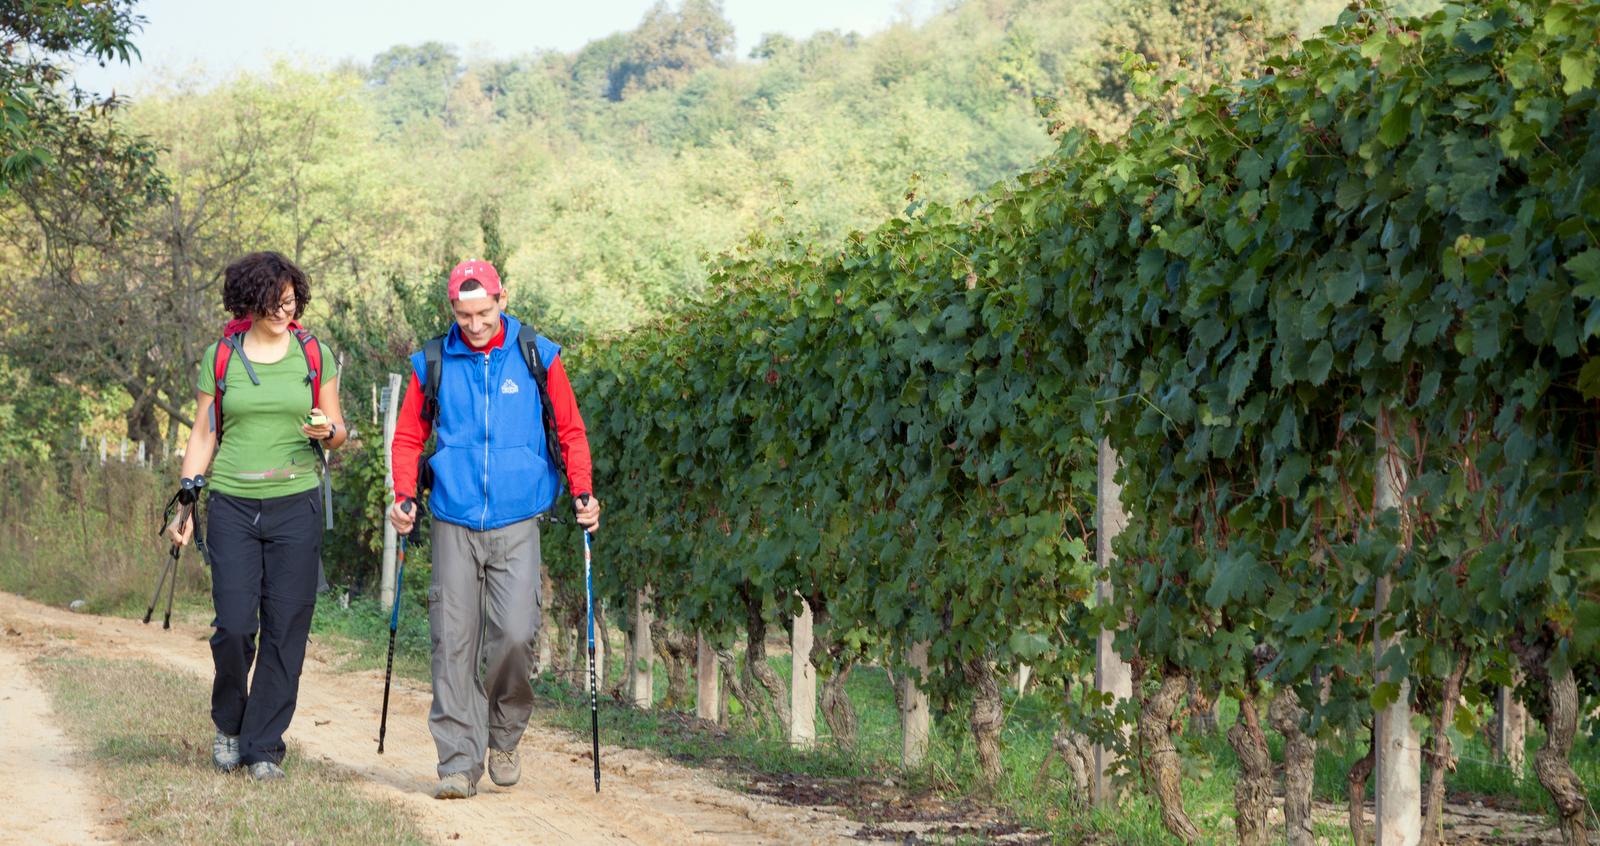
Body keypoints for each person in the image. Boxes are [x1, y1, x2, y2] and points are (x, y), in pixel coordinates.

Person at [388, 258, 600, 800]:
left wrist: (583, 490)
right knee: (452, 642)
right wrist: (405, 494)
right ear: (452, 310)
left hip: (516, 517)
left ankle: (503, 734)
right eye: (464, 315)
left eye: (483, 313)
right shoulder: (433, 361)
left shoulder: (535, 355)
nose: (475, 325)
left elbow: (570, 429)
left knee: (514, 633)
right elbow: (409, 436)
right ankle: (458, 762)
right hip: (453, 517)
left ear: (501, 301)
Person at [169, 250, 347, 781]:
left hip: (297, 501)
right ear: (248, 303)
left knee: (287, 628)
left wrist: (328, 433)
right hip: (232, 503)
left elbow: (337, 428)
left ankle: (263, 745)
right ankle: (229, 724)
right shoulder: (220, 356)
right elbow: (205, 433)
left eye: (290, 302)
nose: (282, 312)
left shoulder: (315, 354)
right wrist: (186, 499)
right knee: (235, 625)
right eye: (272, 303)